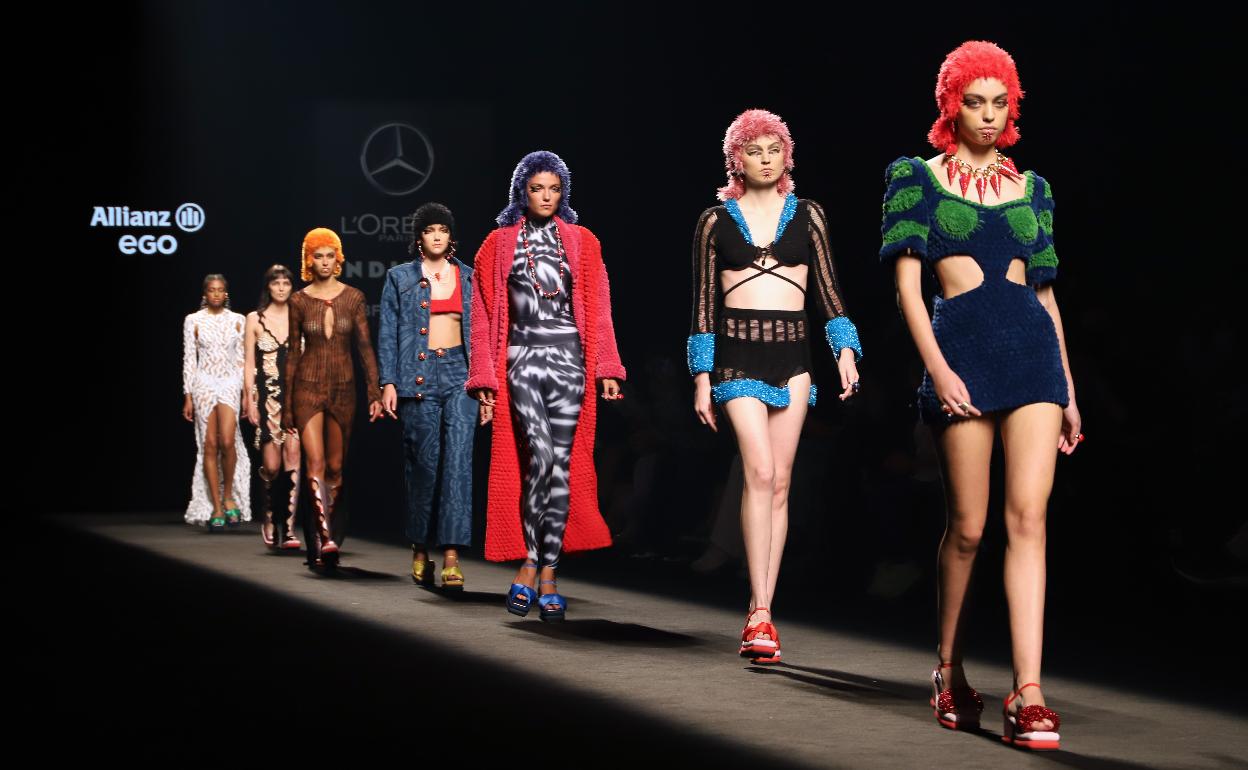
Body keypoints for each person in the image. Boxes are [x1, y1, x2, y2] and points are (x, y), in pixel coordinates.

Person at [881, 41, 1082, 750]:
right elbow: (909, 289)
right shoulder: (916, 177)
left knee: (1029, 519)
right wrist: (936, 369)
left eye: (1001, 102)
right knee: (968, 527)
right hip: (961, 355)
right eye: (975, 102)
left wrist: (1069, 389)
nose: (989, 116)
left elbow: (1045, 296)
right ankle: (949, 669)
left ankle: (1028, 691)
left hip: (1033, 360)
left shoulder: (1035, 189)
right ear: (951, 105)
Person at [688, 109, 862, 663]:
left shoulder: (809, 214)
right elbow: (703, 303)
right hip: (737, 356)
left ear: (786, 155)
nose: (764, 159)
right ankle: (758, 611)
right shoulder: (714, 221)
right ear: (735, 159)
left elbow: (828, 287)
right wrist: (701, 376)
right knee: (759, 472)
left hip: (795, 355)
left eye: (773, 149)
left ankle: (763, 608)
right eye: (753, 150)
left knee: (781, 482)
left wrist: (845, 349)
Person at [465, 150, 626, 621]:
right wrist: (483, 377)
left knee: (559, 467)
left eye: (554, 189)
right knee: (540, 459)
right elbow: (482, 315)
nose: (546, 197)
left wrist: (608, 366)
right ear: (522, 191)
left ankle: (546, 571)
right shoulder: (497, 244)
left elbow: (599, 307)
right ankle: (533, 563)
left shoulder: (582, 241)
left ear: (564, 193)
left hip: (569, 361)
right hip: (522, 360)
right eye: (537, 189)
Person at [379, 203, 476, 589]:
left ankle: (451, 555)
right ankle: (420, 547)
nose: (437, 236)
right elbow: (387, 331)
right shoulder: (399, 277)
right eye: (430, 230)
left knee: (459, 465)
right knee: (424, 464)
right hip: (416, 376)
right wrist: (388, 382)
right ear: (419, 237)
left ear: (451, 237)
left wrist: (485, 385)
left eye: (443, 230)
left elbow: (482, 334)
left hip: (460, 375)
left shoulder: (468, 277)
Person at [282, 228, 383, 569]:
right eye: (318, 256)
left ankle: (327, 535)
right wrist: (286, 406)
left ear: (337, 259)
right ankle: (324, 538)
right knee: (315, 463)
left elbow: (365, 348)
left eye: (329, 255)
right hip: (307, 387)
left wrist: (374, 391)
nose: (324, 262)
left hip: (343, 387)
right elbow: (292, 354)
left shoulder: (353, 298)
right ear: (308, 260)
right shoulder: (298, 301)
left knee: (336, 467)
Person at [183, 274, 251, 530]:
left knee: (227, 441)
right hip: (203, 382)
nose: (216, 294)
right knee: (210, 443)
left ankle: (229, 495)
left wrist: (246, 393)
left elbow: (242, 359)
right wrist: (188, 395)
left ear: (226, 293)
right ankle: (217, 507)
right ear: (205, 293)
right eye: (212, 290)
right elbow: (189, 359)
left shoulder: (238, 320)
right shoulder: (193, 320)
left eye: (220, 290)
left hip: (230, 381)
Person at [244, 264, 303, 551]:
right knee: (271, 465)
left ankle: (289, 527)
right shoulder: (254, 319)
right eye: (276, 283)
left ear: (291, 287)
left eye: (286, 283)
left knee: (293, 460)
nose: (281, 288)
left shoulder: (300, 315)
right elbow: (248, 363)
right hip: (267, 398)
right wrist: (250, 399)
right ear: (268, 287)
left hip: (296, 398)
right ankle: (269, 516)